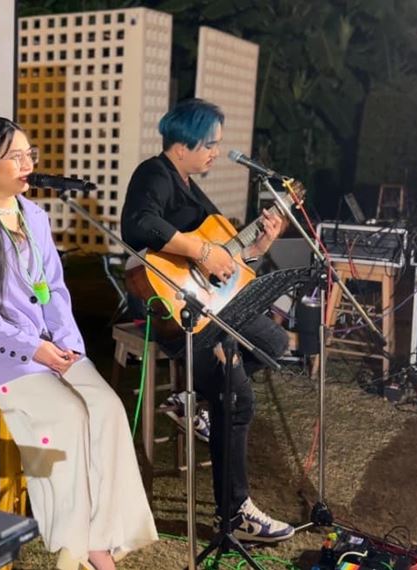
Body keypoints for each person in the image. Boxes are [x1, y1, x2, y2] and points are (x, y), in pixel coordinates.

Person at [0, 113, 158, 570]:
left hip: (48, 348)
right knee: (69, 414)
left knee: (108, 410)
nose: (27, 165)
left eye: (30, 155)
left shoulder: (35, 217)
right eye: (15, 157)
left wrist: (67, 343)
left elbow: (54, 288)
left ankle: (100, 539)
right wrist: (32, 347)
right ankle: (76, 546)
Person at [120, 98, 294, 544]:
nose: (216, 152)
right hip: (172, 306)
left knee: (275, 343)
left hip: (209, 301)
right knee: (237, 398)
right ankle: (234, 514)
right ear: (184, 144)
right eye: (210, 144)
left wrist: (258, 246)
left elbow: (225, 259)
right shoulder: (154, 174)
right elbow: (138, 224)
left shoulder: (191, 187)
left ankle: (194, 402)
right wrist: (200, 251)